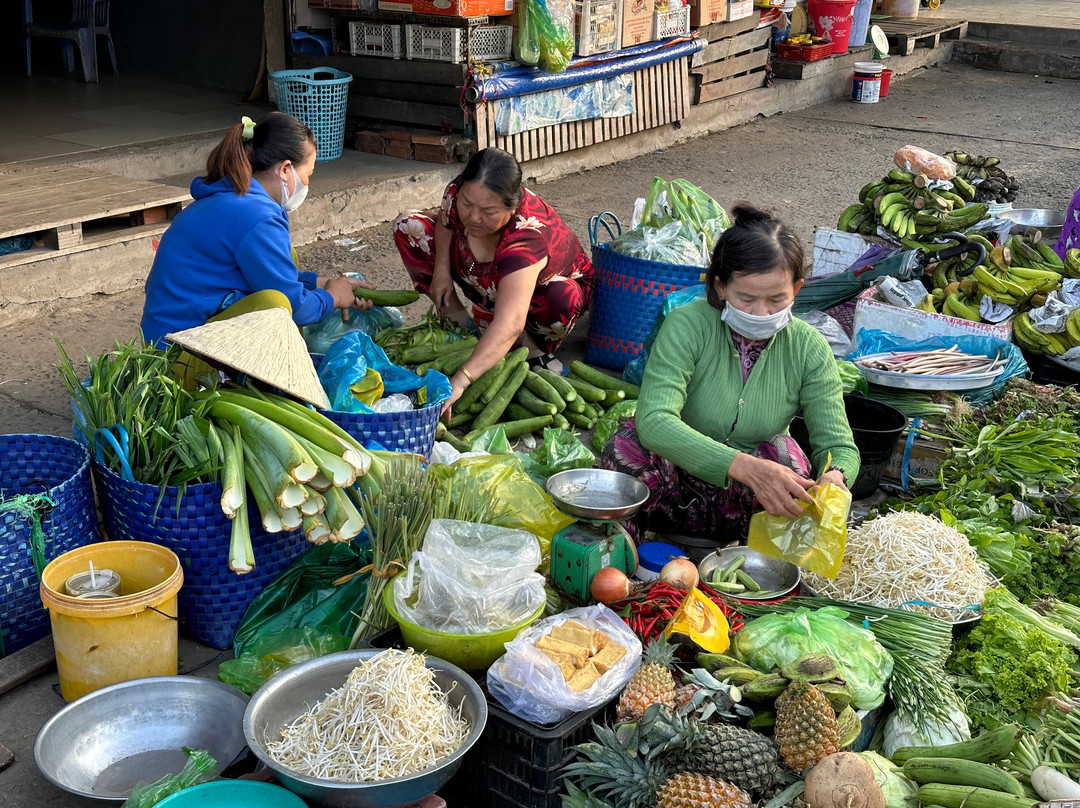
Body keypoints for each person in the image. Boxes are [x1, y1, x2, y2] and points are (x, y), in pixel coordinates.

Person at [600, 204, 860, 542]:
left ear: (797, 289)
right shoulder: (688, 325)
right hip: (673, 487)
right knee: (627, 445)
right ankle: (624, 557)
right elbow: (655, 421)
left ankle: (759, 565)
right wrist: (743, 466)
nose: (761, 313)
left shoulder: (808, 347)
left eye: (777, 300)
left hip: (747, 502)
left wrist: (836, 475)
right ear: (721, 286)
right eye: (747, 298)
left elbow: (838, 445)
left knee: (789, 462)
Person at [393, 148, 595, 416]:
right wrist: (441, 268)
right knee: (409, 225)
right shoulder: (463, 190)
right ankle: (463, 327)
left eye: (488, 210)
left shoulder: (527, 235)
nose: (473, 217)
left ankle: (532, 351)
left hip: (540, 297)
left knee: (559, 297)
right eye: (467, 204)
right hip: (487, 278)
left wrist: (462, 380)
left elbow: (511, 323)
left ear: (511, 206)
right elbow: (446, 221)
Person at [140, 112, 370, 347]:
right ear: (285, 169)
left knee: (283, 272)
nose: (308, 182)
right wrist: (332, 298)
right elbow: (294, 306)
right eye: (308, 173)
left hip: (162, 338)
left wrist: (320, 283)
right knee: (275, 303)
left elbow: (259, 275)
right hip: (178, 353)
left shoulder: (231, 198)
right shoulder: (258, 217)